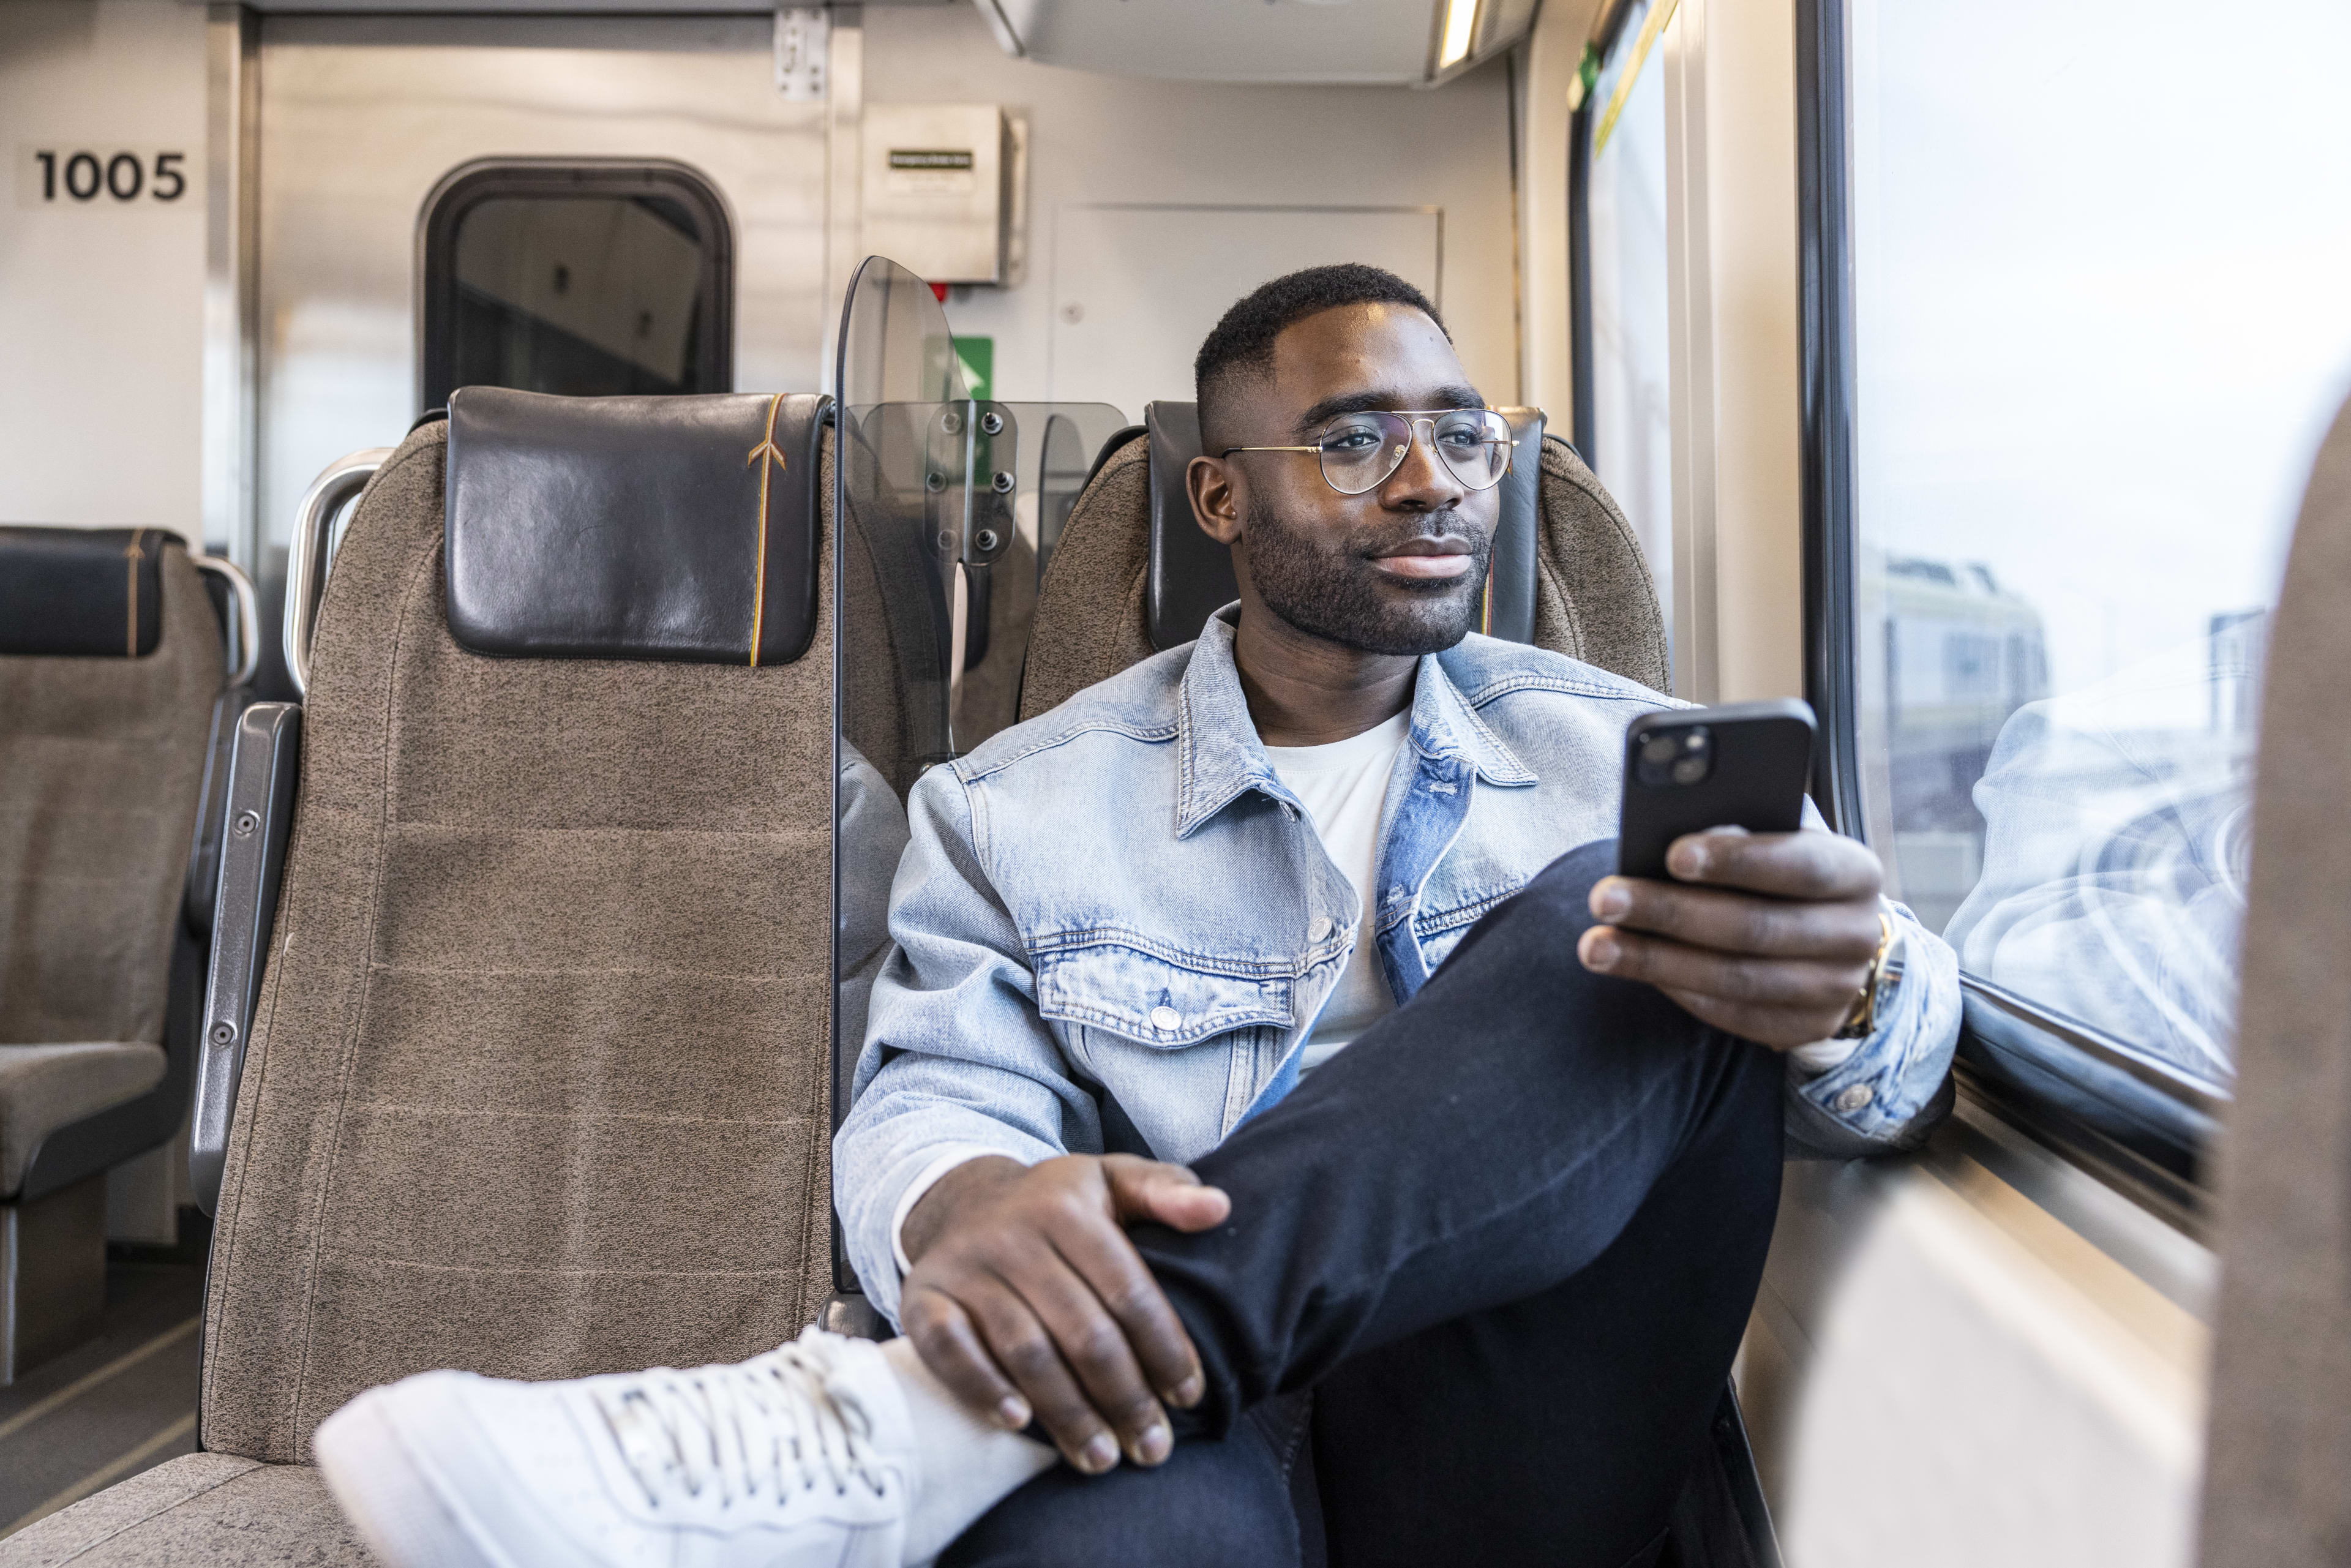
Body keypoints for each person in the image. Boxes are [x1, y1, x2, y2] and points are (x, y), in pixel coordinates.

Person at [313, 265, 1960, 1568]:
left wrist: (1866, 977)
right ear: (1218, 502)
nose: (1431, 482)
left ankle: (904, 1421)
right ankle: (996, 1408)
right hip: (1151, 1425)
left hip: (1511, 1421)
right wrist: (968, 1202)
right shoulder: (1019, 805)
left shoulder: (1615, 755)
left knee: (1614, 918)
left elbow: (1896, 1075)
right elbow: (934, 1099)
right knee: (1114, 1526)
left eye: (1465, 435)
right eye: (1351, 440)